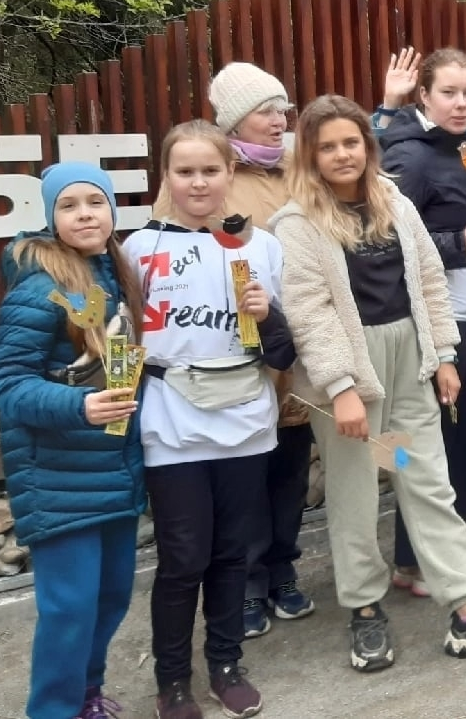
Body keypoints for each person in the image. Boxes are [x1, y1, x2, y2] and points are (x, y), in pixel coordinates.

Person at [271, 95, 466, 670]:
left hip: (409, 364)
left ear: (367, 147)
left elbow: (430, 282)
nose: (342, 154)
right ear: (309, 155)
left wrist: (443, 355)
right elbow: (309, 311)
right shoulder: (296, 223)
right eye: (327, 146)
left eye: (351, 142)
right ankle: (365, 608)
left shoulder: (393, 201)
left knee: (426, 481)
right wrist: (341, 388)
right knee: (356, 493)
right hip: (351, 374)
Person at [127, 121, 296, 719]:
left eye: (209, 170)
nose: (198, 183)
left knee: (232, 553)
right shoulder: (137, 250)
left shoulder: (261, 247)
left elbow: (283, 353)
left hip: (244, 420)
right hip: (170, 422)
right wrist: (117, 418)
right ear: (166, 177)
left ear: (230, 174)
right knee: (183, 558)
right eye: (185, 171)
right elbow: (120, 342)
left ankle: (226, 663)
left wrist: (268, 316)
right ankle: (173, 681)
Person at [154, 61, 317, 643]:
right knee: (246, 477)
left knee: (290, 468)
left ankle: (282, 568)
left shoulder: (300, 166)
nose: (279, 120)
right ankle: (246, 581)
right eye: (265, 111)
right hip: (232, 353)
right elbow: (168, 263)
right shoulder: (209, 177)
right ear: (233, 121)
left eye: (282, 109)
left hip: (293, 338)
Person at [0, 163, 147, 719]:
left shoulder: (116, 276)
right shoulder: (40, 288)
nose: (85, 215)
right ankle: (53, 710)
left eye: (95, 203)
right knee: (69, 608)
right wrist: (79, 407)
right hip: (57, 475)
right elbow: (8, 385)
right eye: (69, 205)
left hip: (114, 467)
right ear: (50, 217)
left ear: (112, 211)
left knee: (110, 597)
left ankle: (85, 697)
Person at [377, 49, 466, 592]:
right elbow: (383, 242)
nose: (461, 103)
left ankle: (426, 557)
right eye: (448, 93)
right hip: (429, 321)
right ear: (424, 96)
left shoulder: (464, 148)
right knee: (441, 445)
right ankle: (421, 563)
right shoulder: (412, 156)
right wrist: (458, 242)